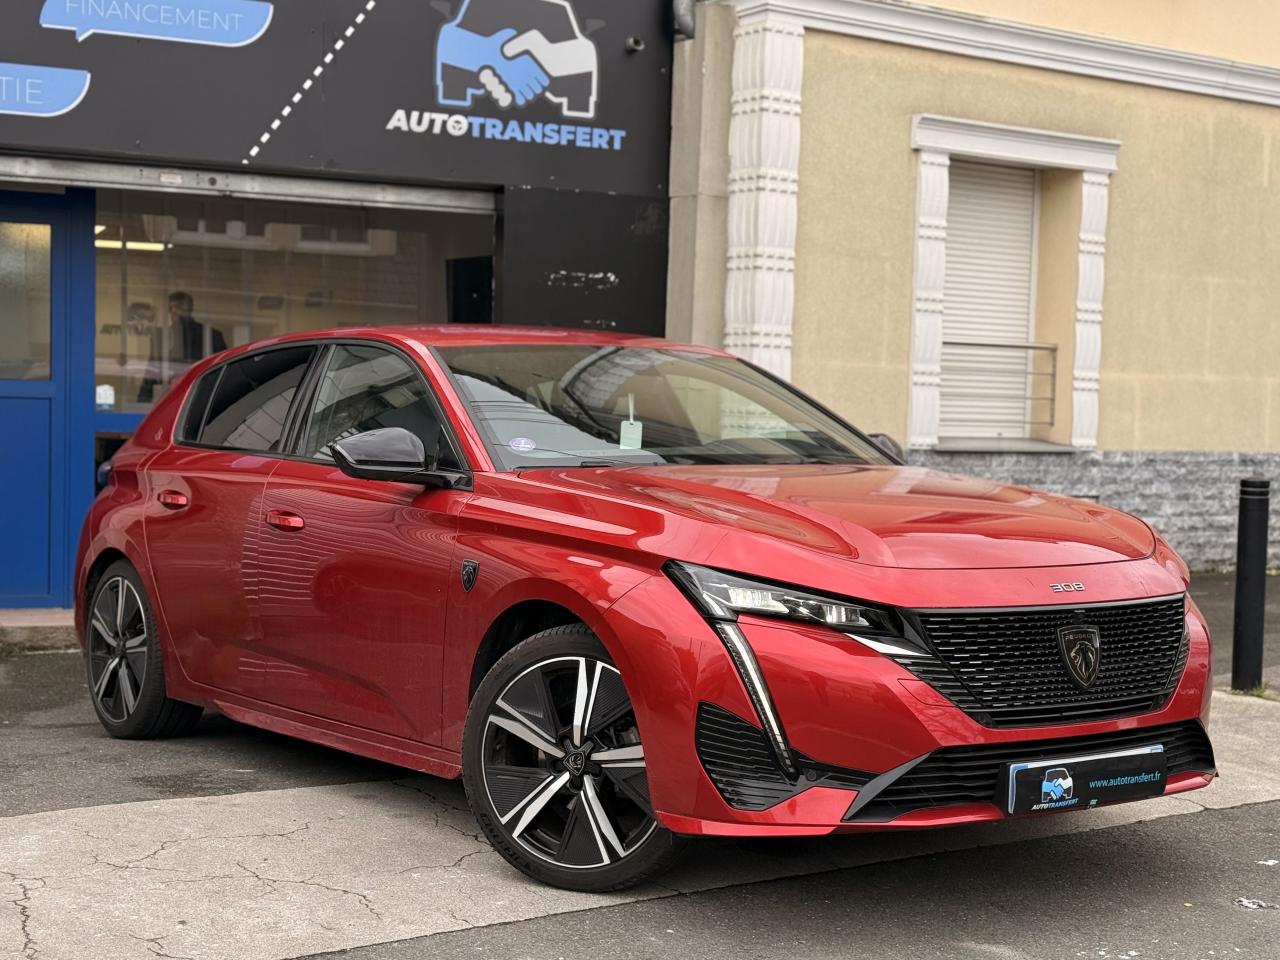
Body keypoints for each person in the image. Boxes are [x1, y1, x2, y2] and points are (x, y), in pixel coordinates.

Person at [137, 292, 227, 403]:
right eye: (171, 308)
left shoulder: (211, 336)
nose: (174, 311)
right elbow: (152, 371)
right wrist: (142, 401)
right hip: (171, 396)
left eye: (179, 306)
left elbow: (222, 371)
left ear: (190, 309)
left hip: (202, 395)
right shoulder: (161, 337)